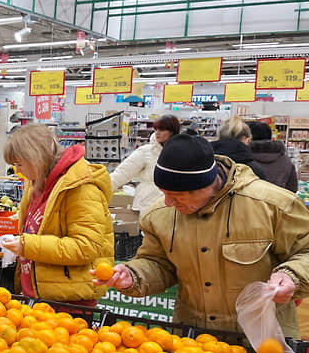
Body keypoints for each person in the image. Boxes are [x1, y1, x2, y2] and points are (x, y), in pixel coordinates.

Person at [94, 134, 309, 338]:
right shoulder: (159, 215)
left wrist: (291, 275)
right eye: (164, 193)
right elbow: (158, 263)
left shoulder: (273, 206)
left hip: (266, 339)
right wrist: (133, 274)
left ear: (207, 184)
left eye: (177, 196)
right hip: (194, 343)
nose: (168, 203)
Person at [0, 124, 114, 305]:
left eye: (19, 163)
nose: (18, 170)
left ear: (36, 158)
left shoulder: (81, 188)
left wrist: (27, 245)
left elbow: (85, 247)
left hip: (69, 302)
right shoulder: (36, 183)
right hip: (38, 295)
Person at [109, 115, 180, 217]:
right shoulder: (146, 151)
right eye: (156, 129)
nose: (157, 132)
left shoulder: (181, 152)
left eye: (162, 129)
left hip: (174, 207)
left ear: (173, 131)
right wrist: (100, 189)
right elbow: (122, 173)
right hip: (148, 205)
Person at [247, 121, 297, 192]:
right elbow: (292, 189)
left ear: (248, 137)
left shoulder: (243, 158)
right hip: (277, 201)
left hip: (247, 202)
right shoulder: (285, 161)